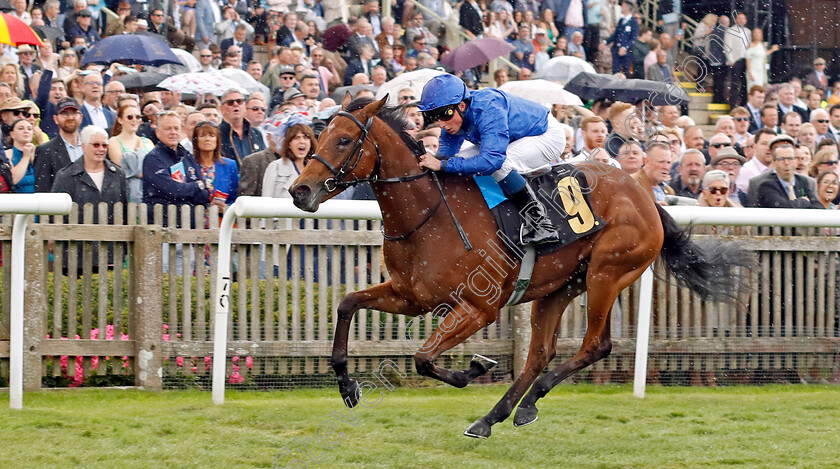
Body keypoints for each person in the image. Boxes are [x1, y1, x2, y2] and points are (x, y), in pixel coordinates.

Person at [417, 74, 565, 245]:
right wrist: (437, 165)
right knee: (457, 162)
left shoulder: (489, 108)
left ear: (462, 105)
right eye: (434, 116)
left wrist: (443, 164)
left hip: (546, 135)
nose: (441, 124)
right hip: (515, 138)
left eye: (444, 115)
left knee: (501, 166)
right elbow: (446, 157)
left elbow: (491, 161)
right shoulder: (455, 114)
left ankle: (540, 223)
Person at [142, 111, 209, 226]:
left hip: (189, 226)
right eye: (168, 129)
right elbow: (173, 190)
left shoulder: (187, 156)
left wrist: (188, 189)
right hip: (163, 225)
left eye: (176, 128)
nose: (173, 132)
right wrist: (197, 186)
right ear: (158, 132)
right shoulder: (153, 159)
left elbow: (204, 196)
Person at [51, 125, 127, 223]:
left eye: (104, 145)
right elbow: (56, 214)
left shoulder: (118, 174)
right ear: (84, 147)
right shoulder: (66, 175)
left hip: (113, 235)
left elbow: (125, 211)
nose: (101, 149)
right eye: (96, 145)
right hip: (77, 236)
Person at [109, 104, 154, 203]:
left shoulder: (148, 142)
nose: (134, 120)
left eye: (137, 117)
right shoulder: (114, 141)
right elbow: (121, 169)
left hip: (150, 191)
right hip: (128, 192)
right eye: (130, 117)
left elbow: (155, 167)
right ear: (120, 120)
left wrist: (134, 165)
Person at [755, 143, 823, 209]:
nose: (786, 163)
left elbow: (819, 207)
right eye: (781, 159)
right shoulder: (767, 185)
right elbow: (784, 208)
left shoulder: (802, 181)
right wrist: (803, 201)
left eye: (790, 158)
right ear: (774, 163)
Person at [262, 122, 317, 198]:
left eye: (306, 138)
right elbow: (266, 199)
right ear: (289, 144)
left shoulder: (314, 170)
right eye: (296, 138)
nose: (302, 141)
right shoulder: (276, 167)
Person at [193, 121, 239, 207]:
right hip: (194, 216)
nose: (207, 139)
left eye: (211, 136)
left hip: (221, 218)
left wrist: (226, 207)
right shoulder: (189, 165)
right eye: (202, 136)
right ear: (196, 140)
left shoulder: (229, 165)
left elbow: (235, 197)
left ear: (217, 140)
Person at [4, 118, 35, 192]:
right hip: (16, 200)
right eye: (21, 128)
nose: (26, 131)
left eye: (29, 129)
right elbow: (12, 180)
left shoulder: (39, 154)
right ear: (12, 134)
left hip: (37, 200)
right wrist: (26, 157)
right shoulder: (7, 155)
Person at [745, 28, 779, 93]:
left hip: (760, 71)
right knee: (752, 90)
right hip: (753, 71)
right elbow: (748, 59)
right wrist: (750, 73)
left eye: (759, 33)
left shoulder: (761, 45)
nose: (757, 34)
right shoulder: (750, 45)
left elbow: (763, 54)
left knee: (760, 89)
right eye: (755, 32)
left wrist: (773, 50)